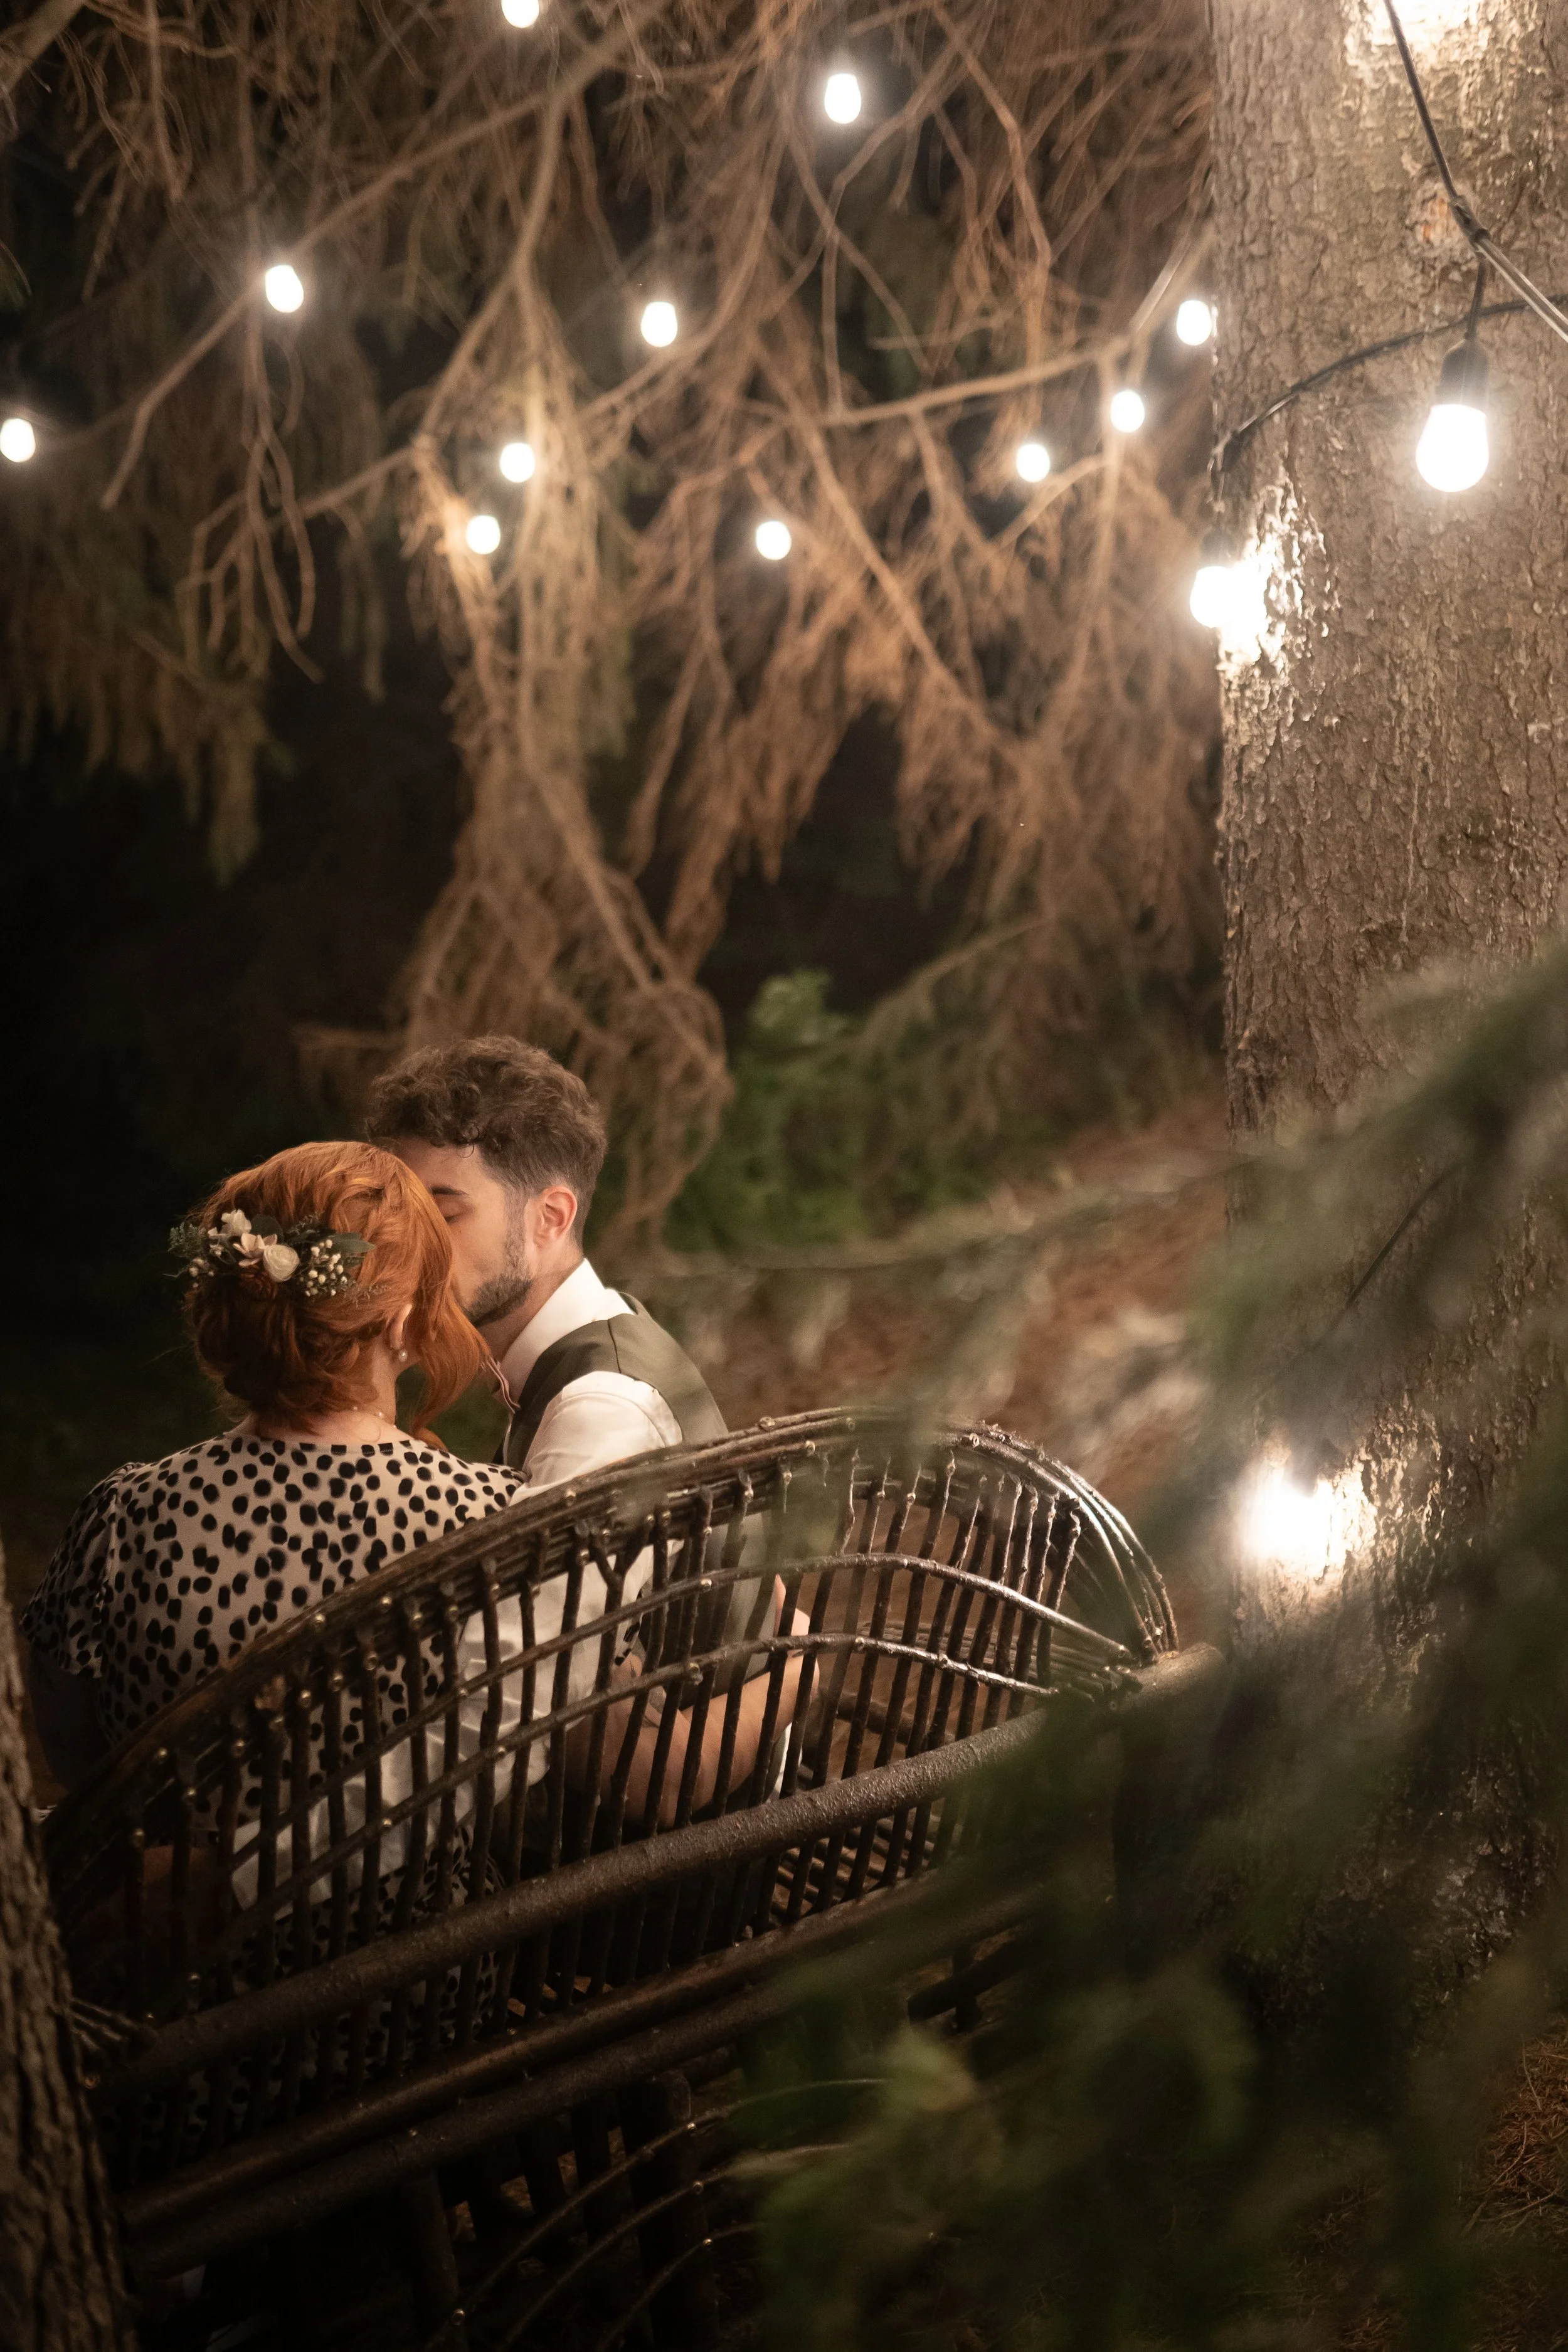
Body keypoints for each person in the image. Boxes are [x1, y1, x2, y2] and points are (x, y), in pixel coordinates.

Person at [364, 1035, 726, 1485]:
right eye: (402, 1216)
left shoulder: (602, 1411)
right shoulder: (581, 1364)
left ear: (550, 1219)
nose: (411, 1247)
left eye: (443, 1217)